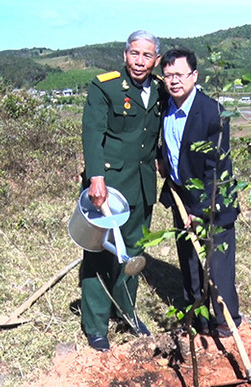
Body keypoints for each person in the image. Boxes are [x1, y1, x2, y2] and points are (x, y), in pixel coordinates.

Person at [79, 30, 165, 352]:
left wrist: (162, 162)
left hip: (142, 184)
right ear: (124, 55)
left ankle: (127, 312)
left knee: (134, 251)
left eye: (147, 55)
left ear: (155, 59)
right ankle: (96, 326)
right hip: (110, 187)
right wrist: (95, 177)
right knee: (100, 253)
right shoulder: (106, 86)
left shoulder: (158, 89)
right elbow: (92, 133)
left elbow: (153, 135)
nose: (140, 61)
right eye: (134, 54)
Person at [157, 48, 240, 338]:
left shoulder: (212, 112)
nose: (173, 81)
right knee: (190, 261)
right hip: (181, 197)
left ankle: (226, 322)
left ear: (194, 76)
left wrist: (200, 210)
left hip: (213, 199)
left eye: (179, 74)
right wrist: (163, 161)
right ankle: (198, 317)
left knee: (217, 265)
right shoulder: (164, 106)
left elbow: (214, 168)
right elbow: (167, 144)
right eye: (168, 75)